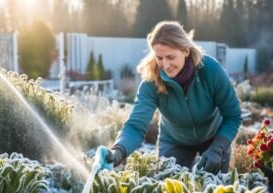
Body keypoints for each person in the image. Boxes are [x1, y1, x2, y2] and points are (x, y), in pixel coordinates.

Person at [97, 21, 242, 174]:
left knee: (218, 191)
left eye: (171, 57)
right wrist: (117, 152)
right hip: (174, 141)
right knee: (171, 190)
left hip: (214, 137)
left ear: (186, 51)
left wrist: (218, 148)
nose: (165, 65)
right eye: (159, 58)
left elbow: (233, 116)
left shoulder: (211, 70)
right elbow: (135, 125)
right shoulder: (151, 81)